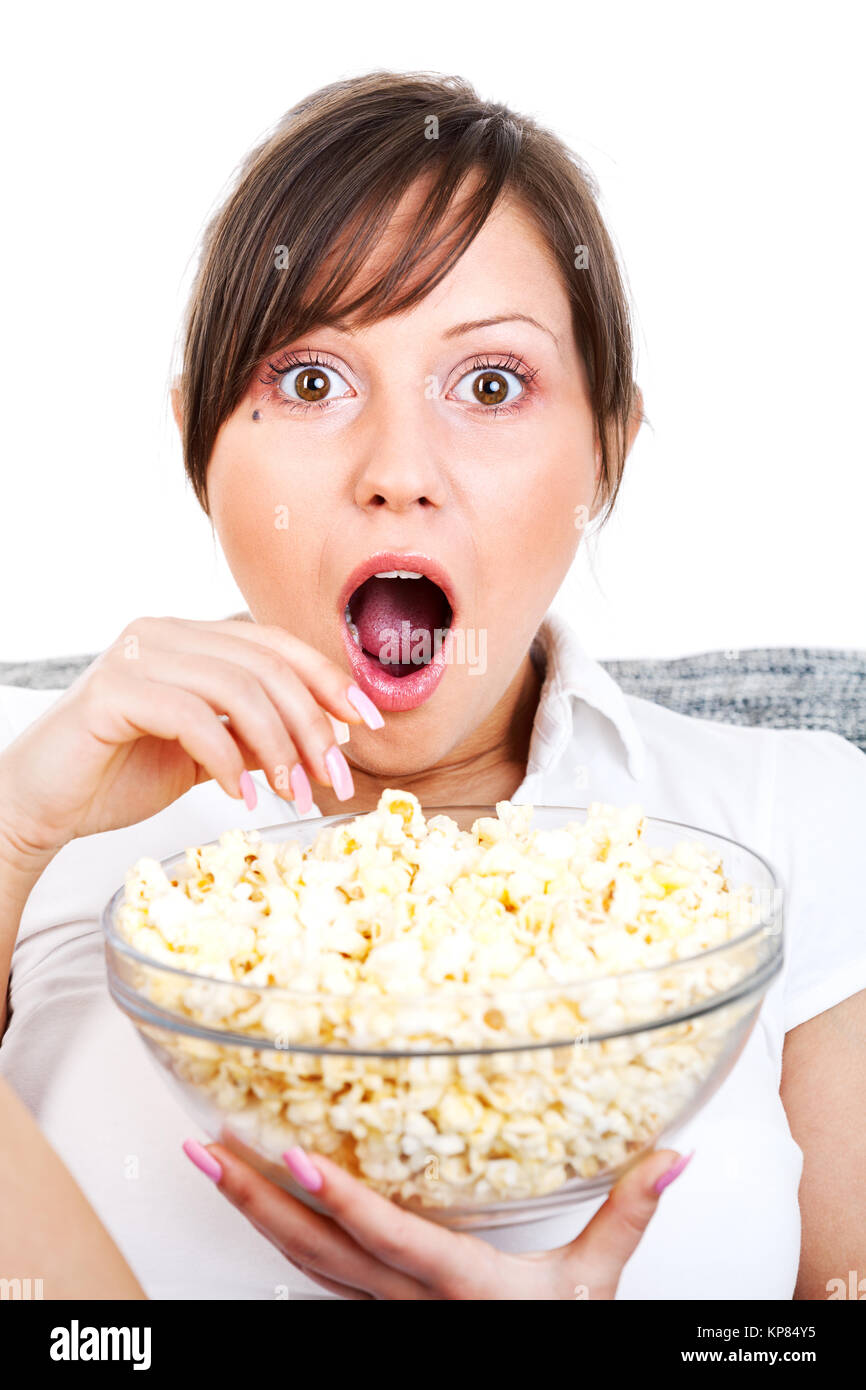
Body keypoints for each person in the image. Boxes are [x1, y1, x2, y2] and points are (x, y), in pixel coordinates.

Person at [1, 70, 864, 1301]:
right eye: (309, 381)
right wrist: (16, 822)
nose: (397, 471)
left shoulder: (798, 816)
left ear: (607, 447)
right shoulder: (35, 792)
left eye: (491, 383)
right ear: (198, 443)